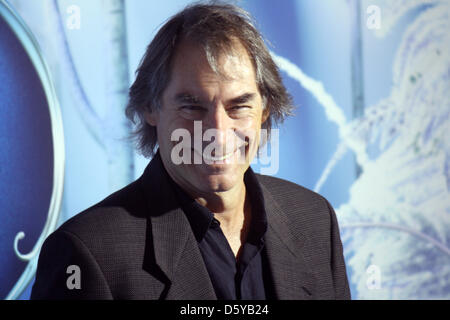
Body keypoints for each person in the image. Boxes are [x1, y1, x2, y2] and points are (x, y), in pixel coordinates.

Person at [31, 2, 350, 300]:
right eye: (193, 107)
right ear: (149, 108)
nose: (217, 131)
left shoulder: (315, 220)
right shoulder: (86, 253)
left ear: (265, 110)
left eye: (238, 106)